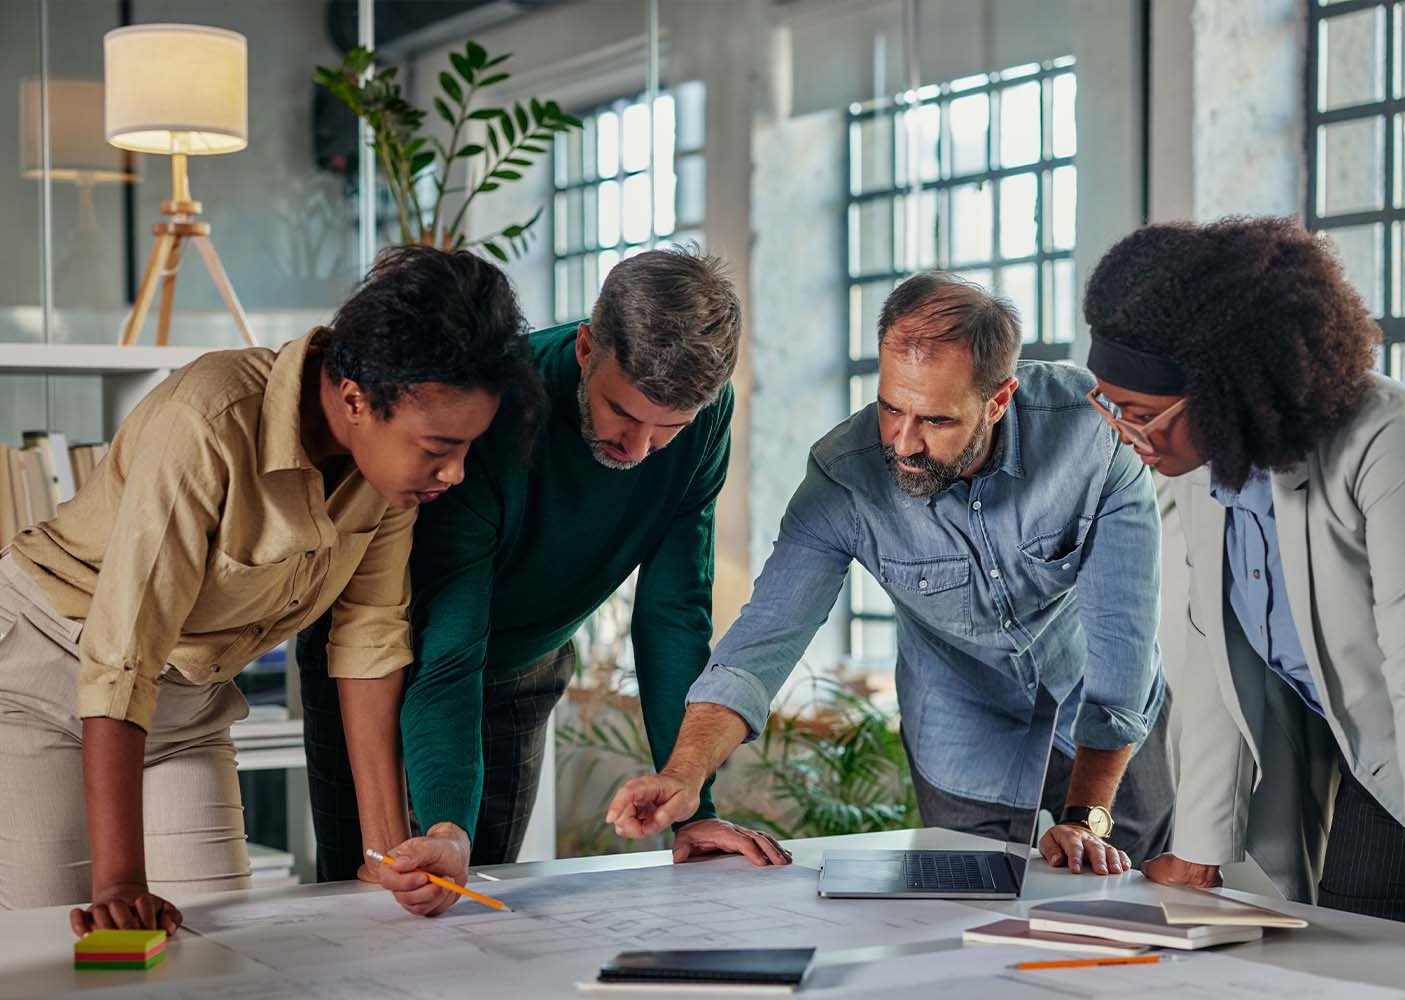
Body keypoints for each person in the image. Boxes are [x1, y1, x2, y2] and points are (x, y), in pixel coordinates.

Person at [1082, 216, 1405, 955]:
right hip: (1390, 743)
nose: (1125, 433)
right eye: (1108, 407)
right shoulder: (1208, 470)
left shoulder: (1394, 439)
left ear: (1226, 388)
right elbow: (1218, 661)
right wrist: (1199, 848)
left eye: (1140, 414)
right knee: (1361, 944)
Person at [0, 245, 538, 935]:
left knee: (223, 944)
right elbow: (122, 652)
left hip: (185, 704)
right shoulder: (206, 421)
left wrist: (383, 853)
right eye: (437, 448)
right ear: (354, 397)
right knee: (69, 943)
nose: (455, 473)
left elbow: (368, 640)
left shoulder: (386, 484)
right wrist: (120, 880)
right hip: (45, 672)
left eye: (466, 449)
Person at [606, 273, 1174, 875]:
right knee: (968, 910)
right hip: (959, 715)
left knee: (1129, 896)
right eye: (890, 408)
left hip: (1105, 704)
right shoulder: (843, 478)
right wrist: (685, 774)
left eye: (935, 420)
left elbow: (1122, 636)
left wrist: (1086, 818)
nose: (902, 442)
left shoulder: (1092, 435)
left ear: (999, 399)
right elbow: (760, 645)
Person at [297, 247, 783, 914]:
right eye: (622, 412)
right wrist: (445, 824)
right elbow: (452, 641)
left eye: (668, 428)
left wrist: (690, 805)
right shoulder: (497, 405)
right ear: (586, 348)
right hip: (391, 662)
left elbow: (674, 612)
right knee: (370, 905)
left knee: (479, 905)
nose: (639, 449)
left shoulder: (706, 419)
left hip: (525, 669)